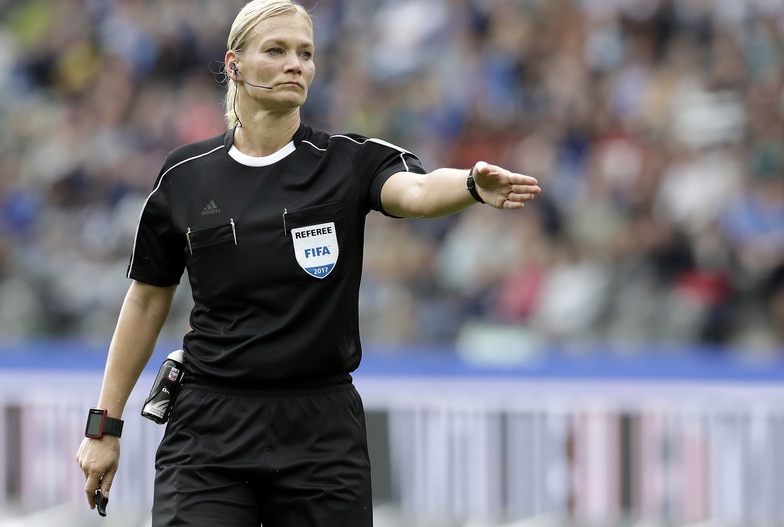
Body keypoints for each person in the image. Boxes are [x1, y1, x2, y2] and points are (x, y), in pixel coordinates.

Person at [76, 0, 541, 525]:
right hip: (209, 428)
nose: (295, 64)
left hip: (321, 433)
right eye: (275, 51)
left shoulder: (347, 161)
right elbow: (144, 301)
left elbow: (414, 190)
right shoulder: (184, 177)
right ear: (234, 64)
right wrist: (103, 428)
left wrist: (469, 186)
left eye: (305, 53)